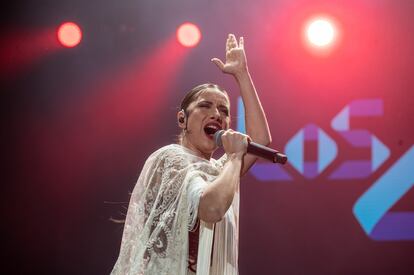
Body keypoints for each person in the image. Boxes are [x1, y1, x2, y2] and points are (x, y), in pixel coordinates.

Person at [111, 34, 271, 275]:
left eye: (224, 110)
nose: (217, 114)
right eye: (205, 106)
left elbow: (260, 140)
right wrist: (236, 157)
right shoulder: (169, 158)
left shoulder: (220, 170)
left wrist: (242, 75)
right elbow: (212, 208)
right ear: (182, 119)